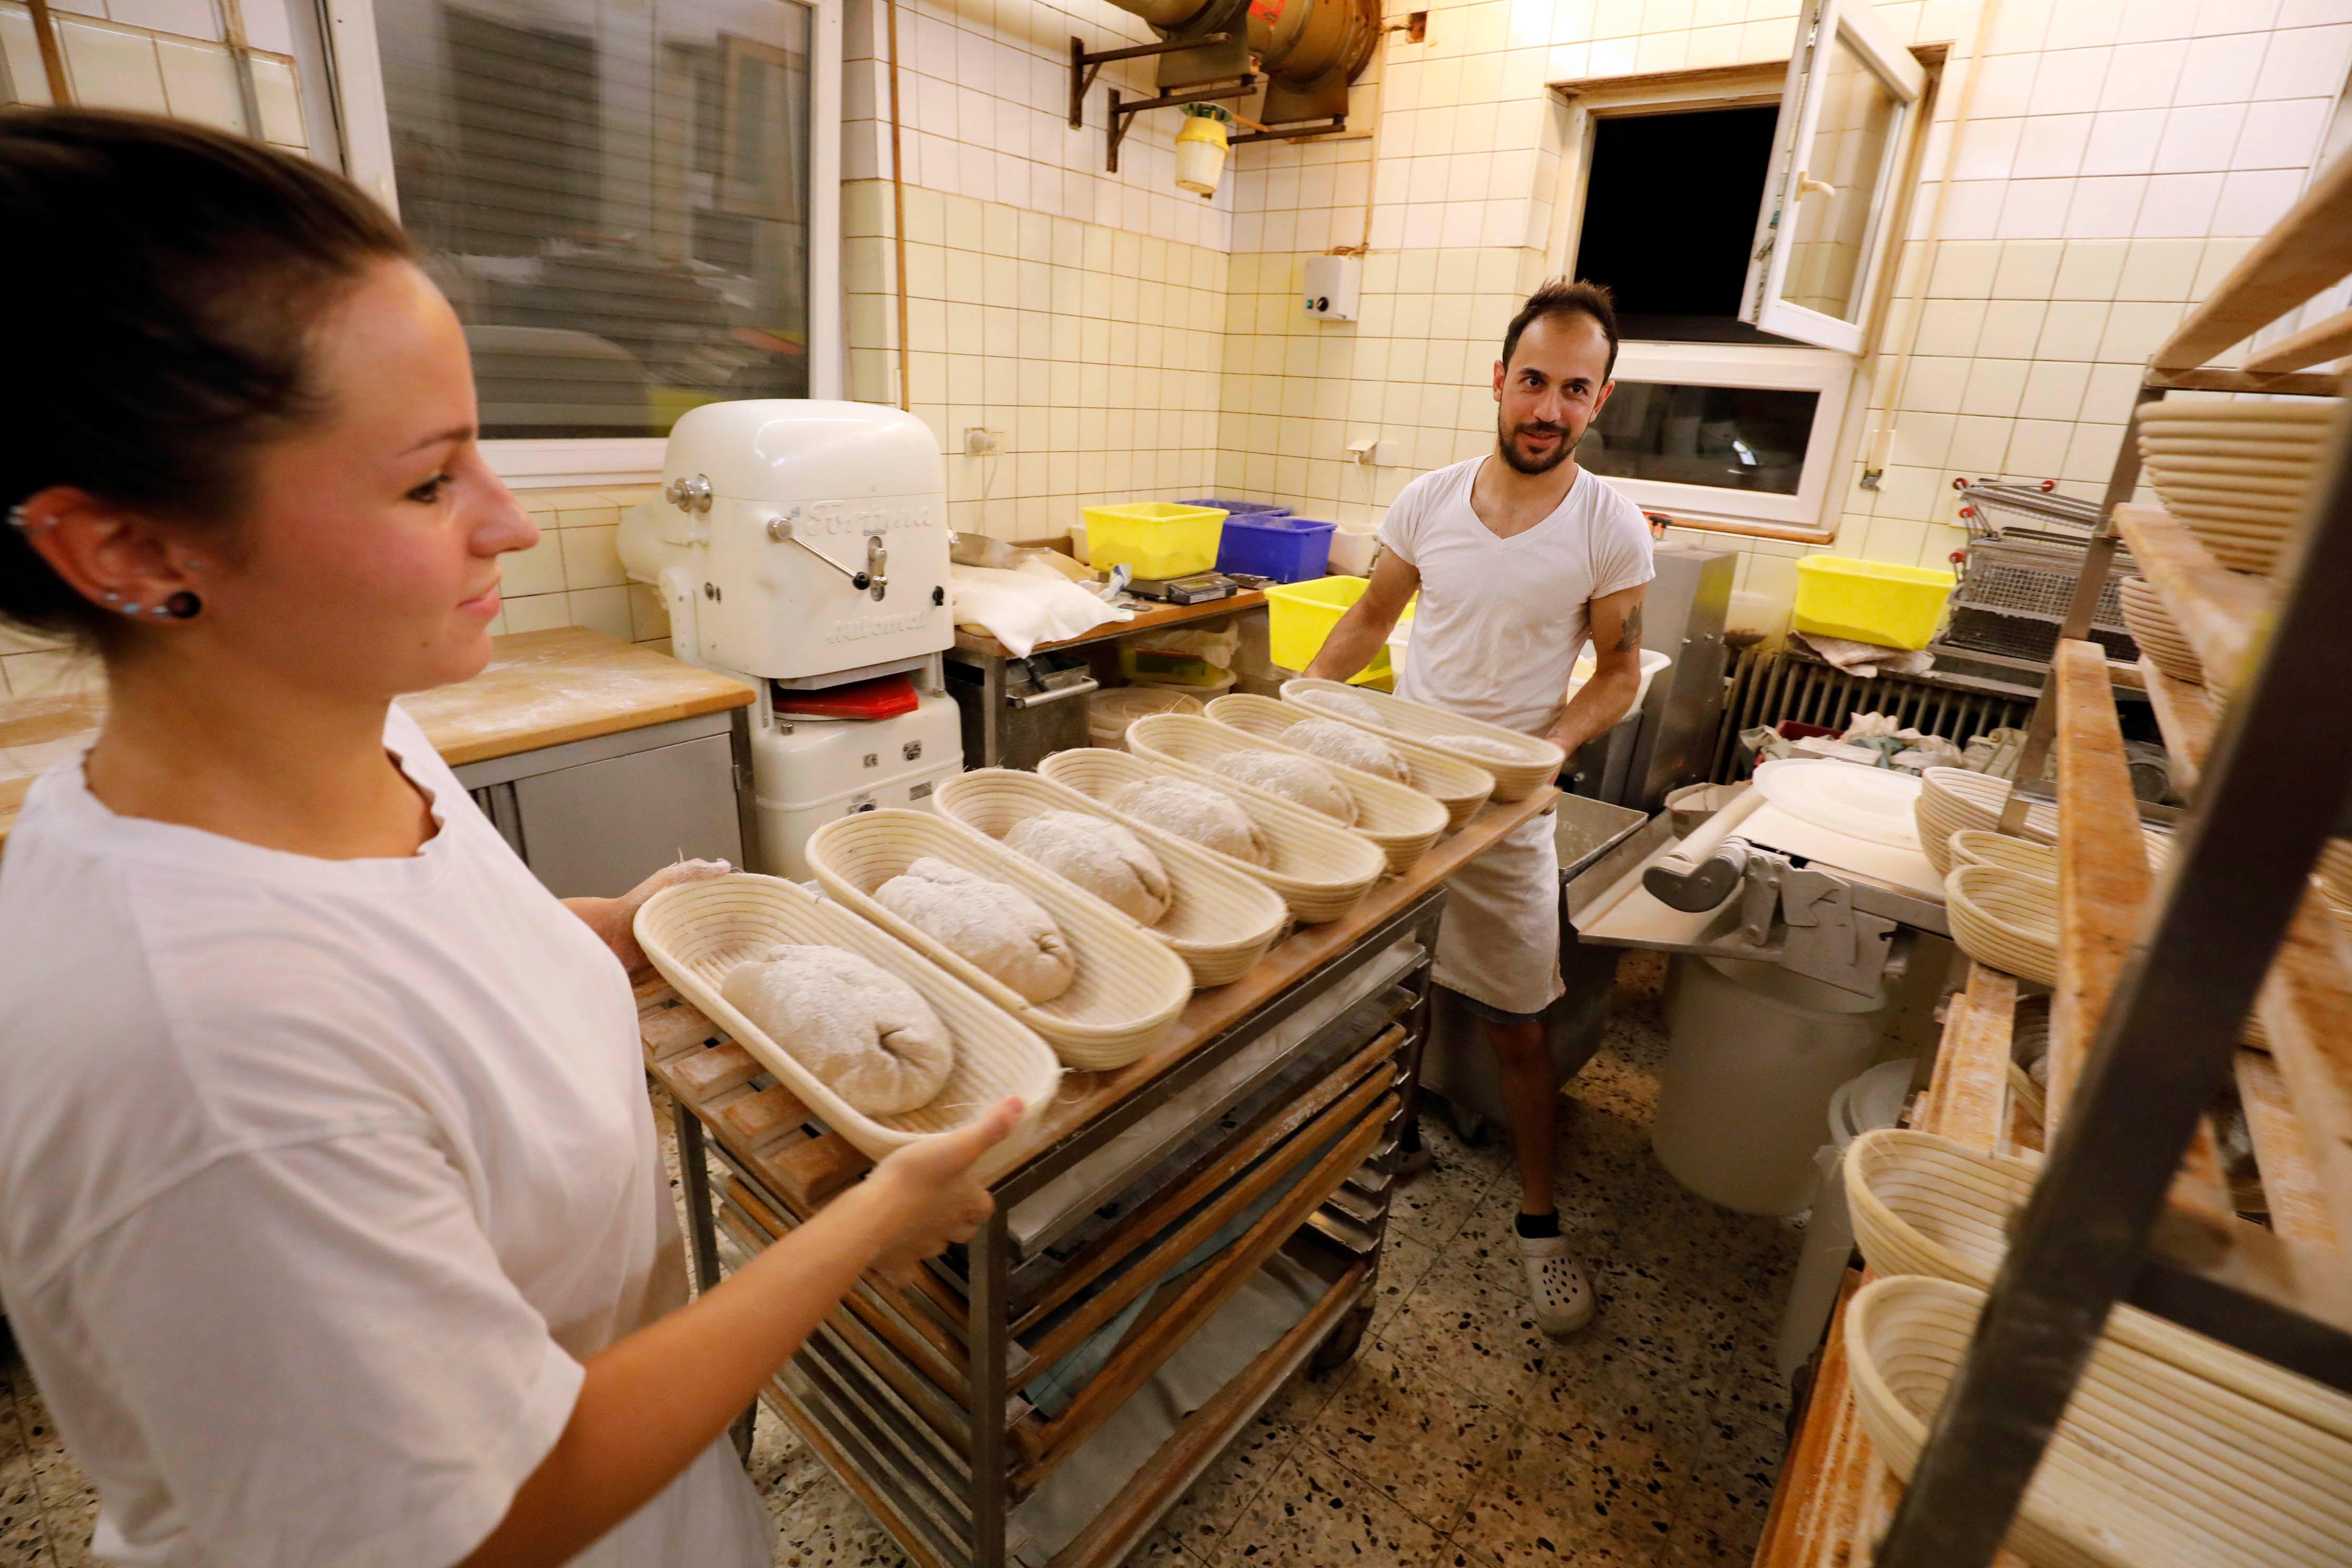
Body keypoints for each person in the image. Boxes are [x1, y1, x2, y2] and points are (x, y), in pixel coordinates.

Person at [0, 110, 1020, 1568]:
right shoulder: (198, 1056)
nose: (511, 525)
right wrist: (867, 1228)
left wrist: (614, 930)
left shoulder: (351, 725)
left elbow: (416, 965)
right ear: (135, 551)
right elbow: (498, 1512)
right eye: (429, 482)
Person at [1305, 279, 1653, 1338]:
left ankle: (1540, 1223)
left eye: (1575, 391)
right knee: (1387, 992)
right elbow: (1373, 613)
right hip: (1407, 797)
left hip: (1509, 811)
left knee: (1517, 1025)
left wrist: (1548, 749)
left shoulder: (1609, 526)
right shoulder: (1427, 501)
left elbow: (1619, 672)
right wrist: (1298, 708)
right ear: (1500, 380)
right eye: (1534, 381)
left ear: (1599, 401)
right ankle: (1394, 1136)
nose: (1548, 409)